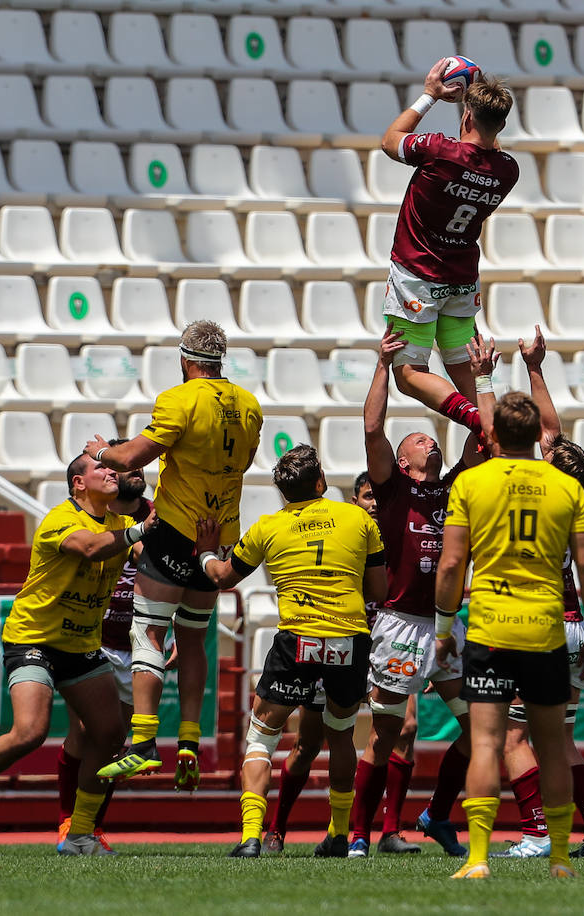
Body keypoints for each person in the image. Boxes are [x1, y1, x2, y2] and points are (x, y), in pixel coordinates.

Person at [0, 454, 151, 854]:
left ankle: (80, 833)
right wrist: (141, 531)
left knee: (109, 734)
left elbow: (149, 564)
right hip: (33, 638)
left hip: (81, 644)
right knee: (30, 732)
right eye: (99, 468)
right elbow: (89, 548)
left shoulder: (121, 525)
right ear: (78, 484)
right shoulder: (60, 520)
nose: (110, 472)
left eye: (111, 468)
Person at [461, 330, 584, 860]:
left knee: (509, 740)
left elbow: (520, 432)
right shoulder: (567, 493)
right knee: (561, 740)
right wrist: (534, 369)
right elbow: (550, 432)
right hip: (574, 622)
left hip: (531, 620)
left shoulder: (523, 482)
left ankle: (535, 835)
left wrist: (488, 377)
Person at [434, 391, 584, 880]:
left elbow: (451, 565)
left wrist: (445, 629)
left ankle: (478, 859)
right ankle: (557, 858)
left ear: (491, 436)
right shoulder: (567, 488)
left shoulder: (472, 482)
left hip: (490, 629)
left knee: (486, 744)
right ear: (536, 438)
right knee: (552, 746)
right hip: (547, 631)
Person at [84, 320, 262, 789]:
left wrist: (101, 453)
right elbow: (243, 462)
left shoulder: (178, 399)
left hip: (175, 529)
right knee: (195, 637)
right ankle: (188, 739)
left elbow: (131, 459)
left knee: (148, 629)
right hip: (217, 537)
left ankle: (142, 742)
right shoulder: (249, 404)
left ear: (185, 360)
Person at [195, 446, 386, 859]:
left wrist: (207, 553)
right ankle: (338, 834)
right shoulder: (357, 519)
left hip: (297, 639)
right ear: (320, 483)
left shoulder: (268, 526)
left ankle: (250, 837)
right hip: (348, 640)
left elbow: (224, 578)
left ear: (282, 492)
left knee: (261, 737)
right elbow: (379, 591)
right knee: (340, 737)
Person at [346, 328, 484, 858]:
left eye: (432, 437)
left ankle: (435, 814)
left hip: (446, 624)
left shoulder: (454, 486)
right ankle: (364, 832)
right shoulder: (393, 487)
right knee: (387, 735)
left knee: (479, 726)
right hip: (401, 622)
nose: (431, 439)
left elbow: (482, 434)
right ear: (402, 462)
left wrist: (476, 376)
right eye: (420, 439)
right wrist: (384, 365)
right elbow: (373, 427)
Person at [264, 471, 423, 855]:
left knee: (405, 730)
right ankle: (276, 830)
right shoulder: (345, 533)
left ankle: (386, 832)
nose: (373, 503)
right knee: (309, 742)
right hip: (340, 641)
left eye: (378, 497)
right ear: (356, 501)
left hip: (384, 644)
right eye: (367, 496)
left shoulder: (401, 540)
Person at [380, 58, 517, 422]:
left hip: (417, 277)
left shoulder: (439, 152)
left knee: (408, 375)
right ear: (500, 124)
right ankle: (494, 429)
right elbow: (488, 145)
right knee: (466, 372)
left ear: (467, 117)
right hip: (461, 281)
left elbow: (390, 141)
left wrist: (429, 96)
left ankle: (476, 421)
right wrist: (481, 105)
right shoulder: (508, 170)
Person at [55, 442, 156, 853]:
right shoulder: (95, 514)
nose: (131, 471)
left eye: (135, 466)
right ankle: (68, 822)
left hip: (138, 643)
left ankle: (91, 827)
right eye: (121, 465)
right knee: (83, 732)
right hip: (96, 639)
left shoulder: (155, 513)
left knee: (113, 742)